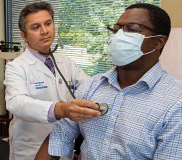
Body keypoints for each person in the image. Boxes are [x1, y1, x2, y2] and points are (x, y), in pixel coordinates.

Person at [35, 3, 182, 160]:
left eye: (132, 29)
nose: (119, 37)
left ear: (158, 41)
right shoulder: (92, 86)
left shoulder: (175, 102)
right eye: (116, 30)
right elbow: (59, 136)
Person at [4, 2, 101, 160]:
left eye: (48, 24)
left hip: (63, 146)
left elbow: (90, 86)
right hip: (31, 147)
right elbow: (16, 102)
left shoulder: (65, 62)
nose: (44, 31)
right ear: (24, 36)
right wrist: (60, 110)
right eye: (35, 27)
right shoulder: (16, 67)